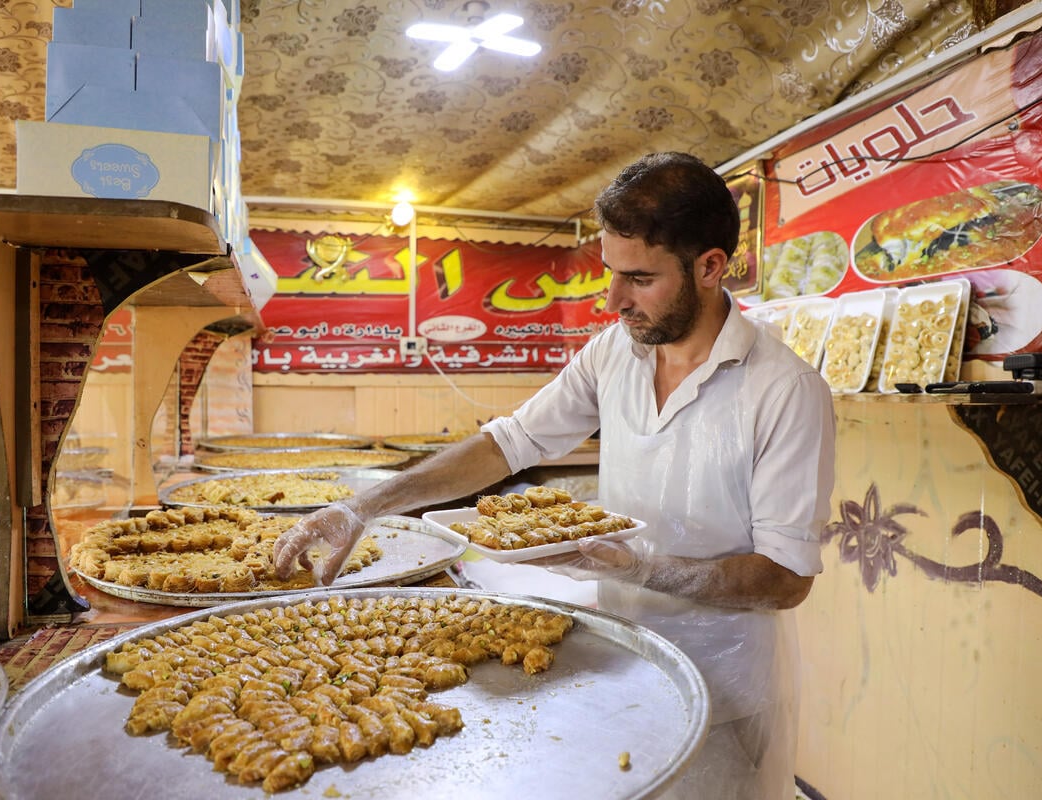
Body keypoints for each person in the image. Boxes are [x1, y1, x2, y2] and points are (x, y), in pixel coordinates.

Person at [273, 151, 836, 799]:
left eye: (640, 279)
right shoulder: (616, 353)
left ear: (710, 267)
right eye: (611, 274)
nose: (613, 299)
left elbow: (786, 578)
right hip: (623, 659)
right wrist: (365, 506)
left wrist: (648, 569)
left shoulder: (784, 391)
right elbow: (510, 442)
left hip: (726, 687)